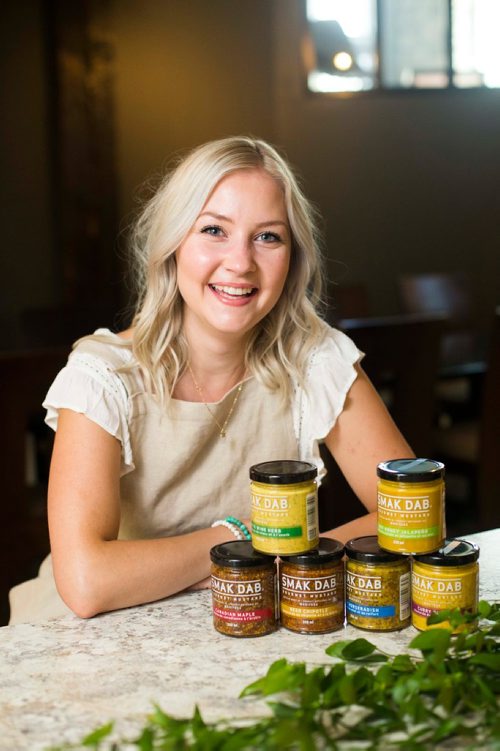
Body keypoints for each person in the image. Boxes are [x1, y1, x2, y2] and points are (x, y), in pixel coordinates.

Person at [9, 136, 413, 624]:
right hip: (94, 633)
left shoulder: (315, 359)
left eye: (268, 236)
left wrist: (271, 566)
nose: (241, 262)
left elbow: (413, 516)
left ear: (293, 259)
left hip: (249, 619)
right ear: (174, 243)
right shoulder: (102, 376)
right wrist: (237, 544)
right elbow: (87, 583)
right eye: (214, 230)